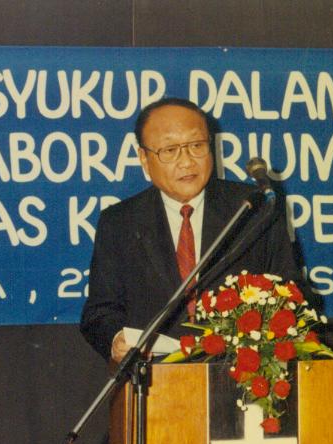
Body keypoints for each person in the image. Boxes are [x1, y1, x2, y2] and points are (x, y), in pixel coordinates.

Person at [79, 97, 305, 362]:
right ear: (144, 158)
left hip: (239, 375)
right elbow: (99, 312)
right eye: (170, 150)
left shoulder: (253, 209)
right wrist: (116, 340)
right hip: (155, 376)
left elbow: (292, 292)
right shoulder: (119, 222)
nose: (186, 161)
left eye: (196, 146)